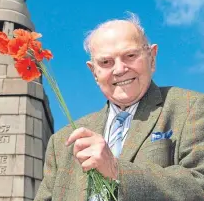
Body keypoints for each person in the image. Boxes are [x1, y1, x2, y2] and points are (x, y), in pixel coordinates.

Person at [34, 12, 204, 201]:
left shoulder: (191, 107)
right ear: (94, 72)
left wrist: (116, 170)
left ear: (152, 57)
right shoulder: (62, 142)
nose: (120, 69)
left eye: (130, 56)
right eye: (106, 62)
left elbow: (199, 186)